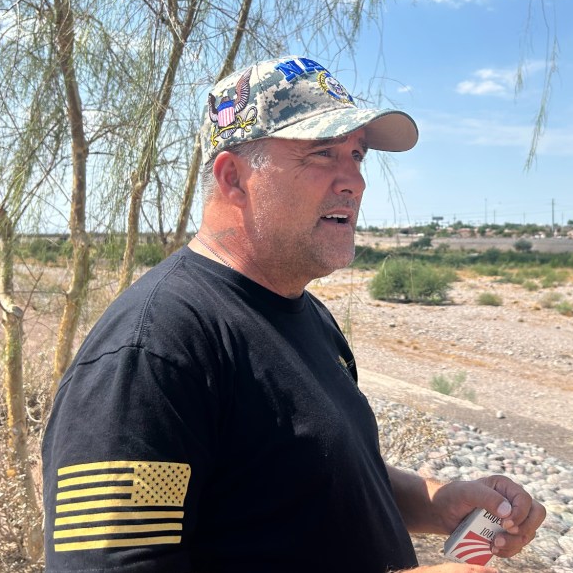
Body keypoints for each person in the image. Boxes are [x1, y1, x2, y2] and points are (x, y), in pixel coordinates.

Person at [42, 55, 546, 573]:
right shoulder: (155, 352)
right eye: (323, 154)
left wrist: (437, 502)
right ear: (234, 178)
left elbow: (311, 481)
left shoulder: (307, 315)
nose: (354, 181)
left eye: (357, 155)